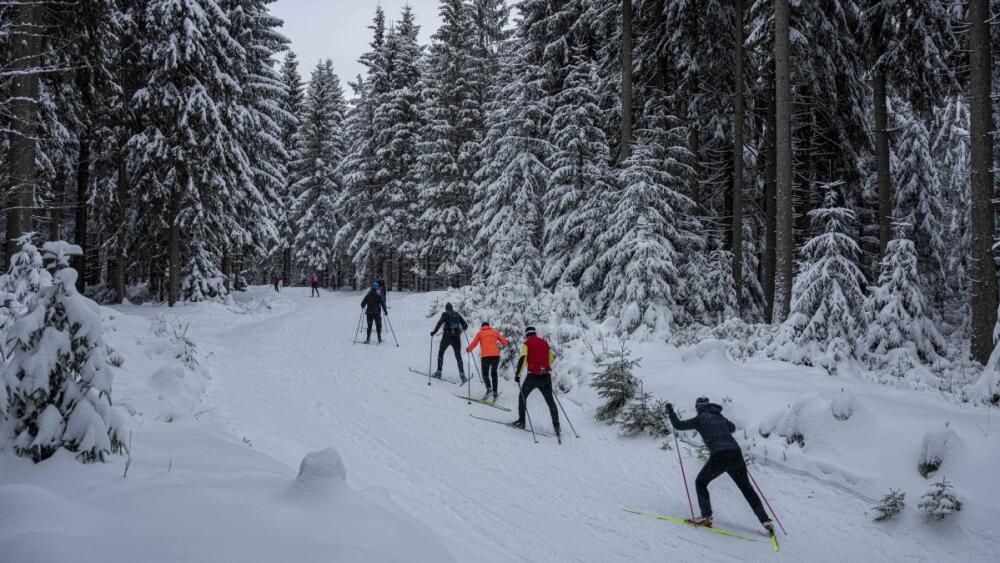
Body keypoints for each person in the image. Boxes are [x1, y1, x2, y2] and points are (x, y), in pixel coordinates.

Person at [665, 397, 774, 534]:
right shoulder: (719, 416)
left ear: (698, 407)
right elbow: (732, 427)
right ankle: (765, 521)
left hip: (720, 455)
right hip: (735, 454)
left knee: (701, 483)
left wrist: (671, 412)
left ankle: (706, 516)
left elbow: (679, 425)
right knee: (747, 488)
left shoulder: (700, 419)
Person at [511, 327, 559, 437]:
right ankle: (557, 427)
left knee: (522, 396)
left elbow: (523, 359)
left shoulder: (526, 344)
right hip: (546, 376)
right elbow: (551, 359)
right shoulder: (544, 343)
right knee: (550, 401)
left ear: (527, 335)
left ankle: (522, 422)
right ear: (535, 333)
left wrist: (518, 375)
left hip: (533, 377)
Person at [466, 321, 509, 401]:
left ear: (482, 326)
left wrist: (469, 349)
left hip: (486, 356)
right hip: (496, 356)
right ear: (488, 326)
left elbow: (474, 343)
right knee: (494, 374)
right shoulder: (494, 332)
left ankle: (489, 389)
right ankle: (495, 392)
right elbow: (505, 342)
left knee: (485, 374)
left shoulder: (480, 333)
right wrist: (507, 343)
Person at [430, 303, 468, 382]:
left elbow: (439, 323)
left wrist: (434, 332)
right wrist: (461, 330)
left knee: (441, 352)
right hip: (457, 337)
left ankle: (439, 372)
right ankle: (462, 375)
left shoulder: (445, 314)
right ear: (452, 308)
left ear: (446, 308)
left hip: (447, 336)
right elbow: (465, 325)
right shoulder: (457, 314)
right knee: (458, 355)